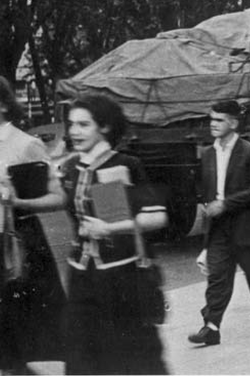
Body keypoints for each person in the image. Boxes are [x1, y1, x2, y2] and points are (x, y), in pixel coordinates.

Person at [59, 95, 168, 374]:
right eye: (71, 124)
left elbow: (155, 217)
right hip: (82, 274)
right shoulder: (74, 167)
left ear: (105, 127)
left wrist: (109, 227)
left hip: (118, 277)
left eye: (83, 124)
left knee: (131, 355)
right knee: (83, 355)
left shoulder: (117, 165)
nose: (74, 131)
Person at [188, 101, 250, 346]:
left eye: (219, 120)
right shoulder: (207, 154)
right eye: (211, 120)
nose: (213, 124)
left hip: (244, 224)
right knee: (217, 276)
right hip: (218, 227)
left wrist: (225, 204)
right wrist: (206, 205)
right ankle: (211, 327)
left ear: (233, 123)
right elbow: (204, 188)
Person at [0, 76, 67, 374]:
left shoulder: (26, 145)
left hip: (19, 245)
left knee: (28, 332)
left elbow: (57, 197)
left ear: (2, 105)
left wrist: (19, 202)